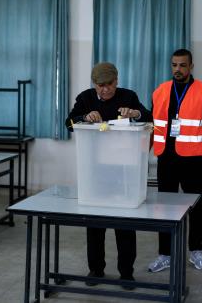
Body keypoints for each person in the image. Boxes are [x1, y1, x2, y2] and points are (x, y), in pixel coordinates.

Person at [65, 62, 152, 288]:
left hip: (123, 170)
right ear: (94, 84)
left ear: (117, 81)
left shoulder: (128, 96)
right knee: (94, 224)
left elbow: (149, 118)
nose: (105, 90)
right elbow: (69, 122)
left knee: (124, 224)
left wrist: (135, 113)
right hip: (94, 170)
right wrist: (84, 116)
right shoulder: (85, 98)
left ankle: (126, 273)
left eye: (109, 85)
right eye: (100, 86)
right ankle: (96, 270)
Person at [148, 48, 202, 273]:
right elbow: (153, 126)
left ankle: (196, 251)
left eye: (182, 65)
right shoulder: (160, 91)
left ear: (191, 66)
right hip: (166, 159)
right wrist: (143, 153)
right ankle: (165, 254)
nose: (178, 69)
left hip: (192, 159)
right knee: (164, 208)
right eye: (174, 65)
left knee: (196, 207)